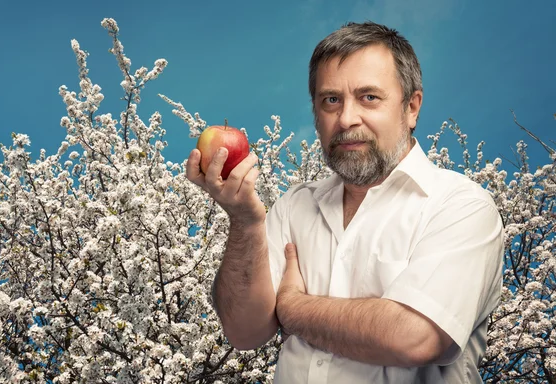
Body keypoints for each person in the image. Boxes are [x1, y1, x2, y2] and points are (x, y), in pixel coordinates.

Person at [186, 21, 505, 384]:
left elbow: (416, 338)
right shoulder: (294, 207)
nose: (346, 118)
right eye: (331, 100)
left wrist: (292, 308)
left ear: (411, 107)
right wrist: (244, 221)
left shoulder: (461, 206)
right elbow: (244, 332)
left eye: (369, 97)